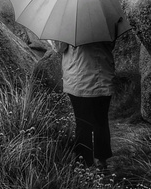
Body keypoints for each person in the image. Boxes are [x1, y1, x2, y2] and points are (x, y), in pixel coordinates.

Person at [51, 34, 119, 171]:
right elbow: (112, 43)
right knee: (101, 121)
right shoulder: (104, 19)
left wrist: (55, 36)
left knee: (83, 123)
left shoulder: (68, 24)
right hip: (103, 78)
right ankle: (102, 161)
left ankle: (84, 164)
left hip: (79, 81)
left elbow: (59, 48)